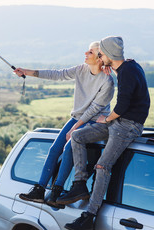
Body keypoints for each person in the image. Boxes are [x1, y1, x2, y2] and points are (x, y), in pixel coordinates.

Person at [56, 36, 151, 230]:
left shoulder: (127, 72)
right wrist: (113, 69)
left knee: (102, 165)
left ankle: (89, 216)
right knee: (77, 136)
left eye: (101, 54)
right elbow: (125, 87)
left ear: (108, 54)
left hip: (128, 126)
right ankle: (80, 183)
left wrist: (107, 119)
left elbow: (123, 105)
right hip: (119, 121)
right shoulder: (128, 67)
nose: (99, 58)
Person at [13, 41, 115, 208]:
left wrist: (74, 129)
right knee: (54, 149)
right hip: (77, 118)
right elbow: (56, 74)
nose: (85, 53)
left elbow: (94, 109)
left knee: (69, 148)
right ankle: (39, 190)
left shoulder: (107, 82)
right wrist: (26, 72)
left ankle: (56, 191)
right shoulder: (80, 69)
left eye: (90, 52)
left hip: (93, 120)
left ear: (99, 58)